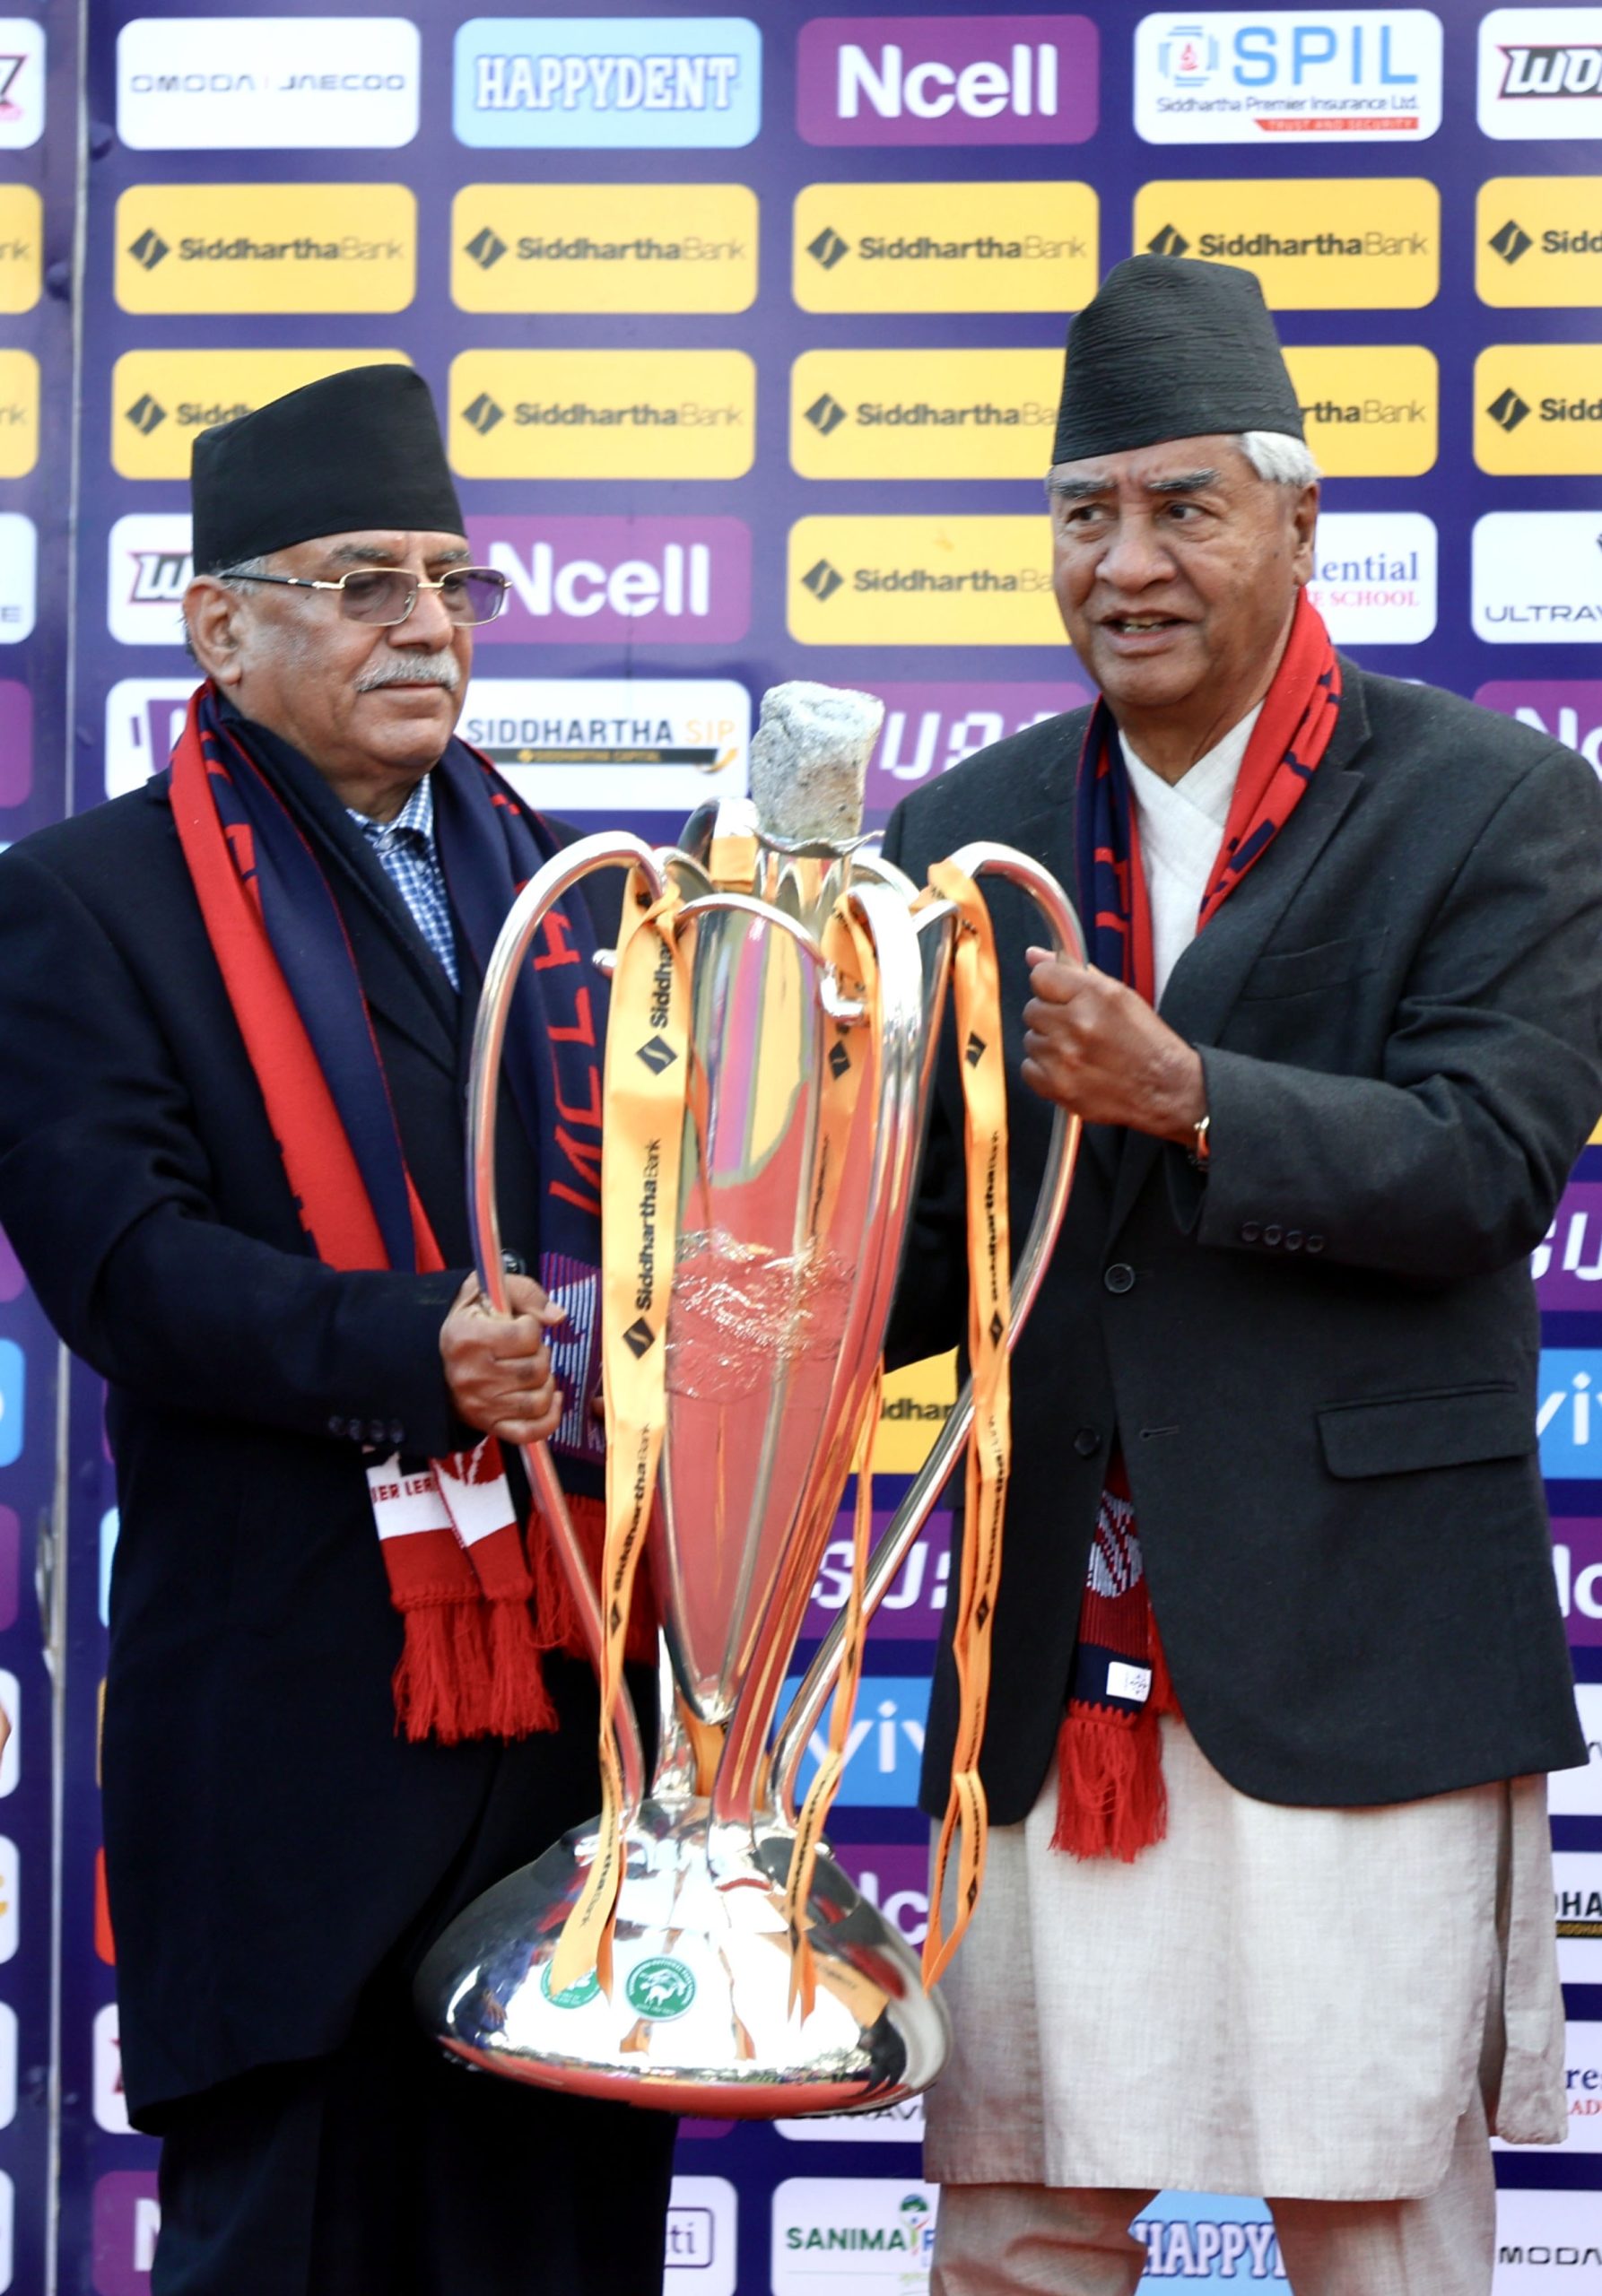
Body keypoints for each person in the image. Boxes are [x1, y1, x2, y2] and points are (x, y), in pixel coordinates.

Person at [883, 257, 1602, 2296]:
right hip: (1057, 1651)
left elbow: (1483, 1166)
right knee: (1017, 2228)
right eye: (1082, 513)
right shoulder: (963, 829)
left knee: (1373, 2226)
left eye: (1180, 507)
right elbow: (933, 1253)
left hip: (1356, 1638)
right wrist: (739, 1286)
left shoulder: (1493, 800)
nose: (1123, 563)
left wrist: (1190, 1098)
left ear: (1297, 522)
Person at [0, 367, 673, 2294]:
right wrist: (412, 1349)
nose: (426, 624)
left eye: (452, 581)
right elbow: (126, 1267)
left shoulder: (581, 898)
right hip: (292, 1748)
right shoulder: (82, 902)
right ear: (221, 627)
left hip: (569, 1746)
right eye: (365, 581)